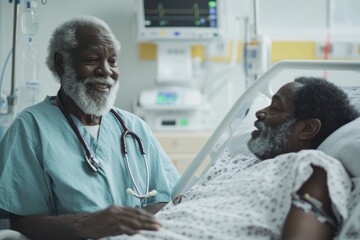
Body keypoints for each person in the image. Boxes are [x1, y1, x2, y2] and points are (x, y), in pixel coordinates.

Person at [99, 77, 359, 240]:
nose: (260, 112)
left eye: (275, 107)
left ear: (307, 129)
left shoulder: (313, 168)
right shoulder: (235, 163)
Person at [0, 16, 180, 239]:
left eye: (112, 61)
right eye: (92, 59)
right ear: (61, 63)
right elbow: (21, 224)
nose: (106, 71)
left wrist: (126, 222)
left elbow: (169, 200)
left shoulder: (134, 127)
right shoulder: (31, 128)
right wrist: (85, 223)